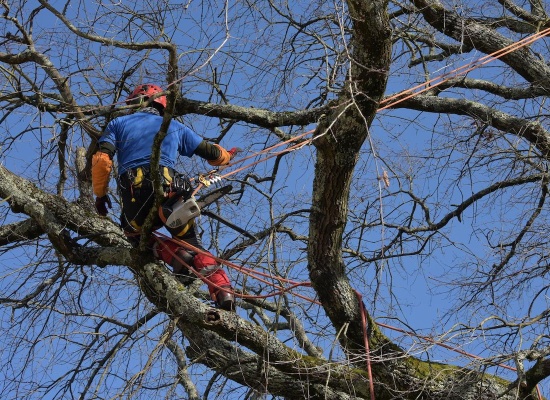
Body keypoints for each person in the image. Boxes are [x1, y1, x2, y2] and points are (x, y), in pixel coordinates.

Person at [91, 83, 236, 311]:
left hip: (135, 196)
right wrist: (226, 157)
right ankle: (223, 292)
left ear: (134, 103)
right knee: (194, 244)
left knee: (135, 235)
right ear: (161, 104)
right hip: (170, 192)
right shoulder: (173, 126)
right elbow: (212, 153)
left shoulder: (117, 124)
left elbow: (101, 160)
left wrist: (100, 195)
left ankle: (179, 259)